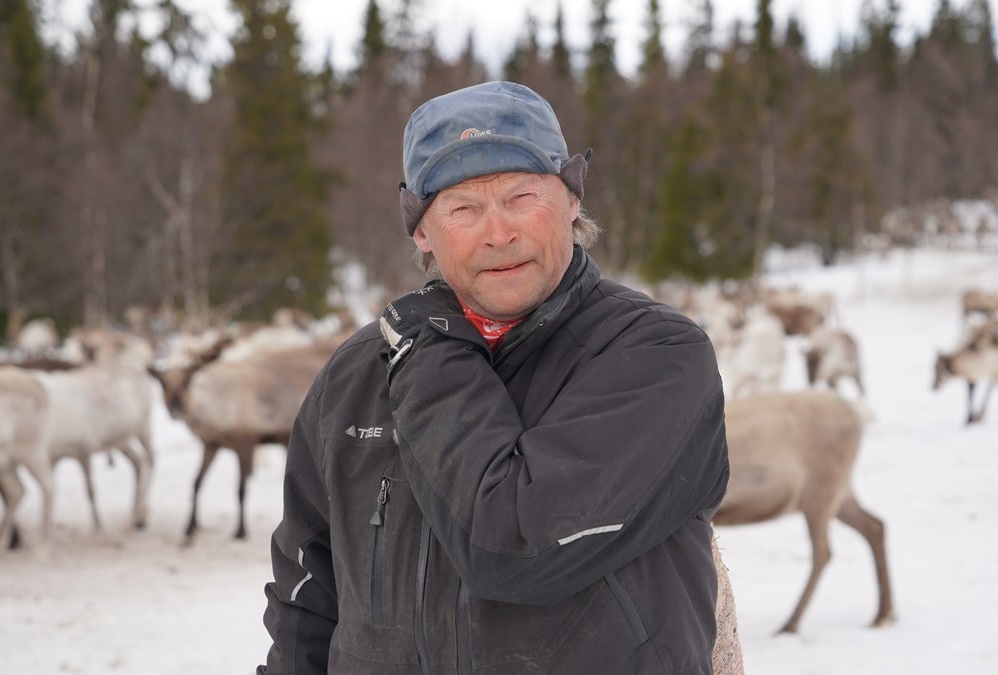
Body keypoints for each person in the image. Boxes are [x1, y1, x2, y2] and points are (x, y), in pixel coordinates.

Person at [259, 80, 731, 674]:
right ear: (421, 231)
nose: (499, 232)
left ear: (573, 200)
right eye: (463, 207)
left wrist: (429, 348)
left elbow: (514, 549)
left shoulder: (655, 354)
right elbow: (306, 596)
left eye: (521, 195)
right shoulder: (355, 374)